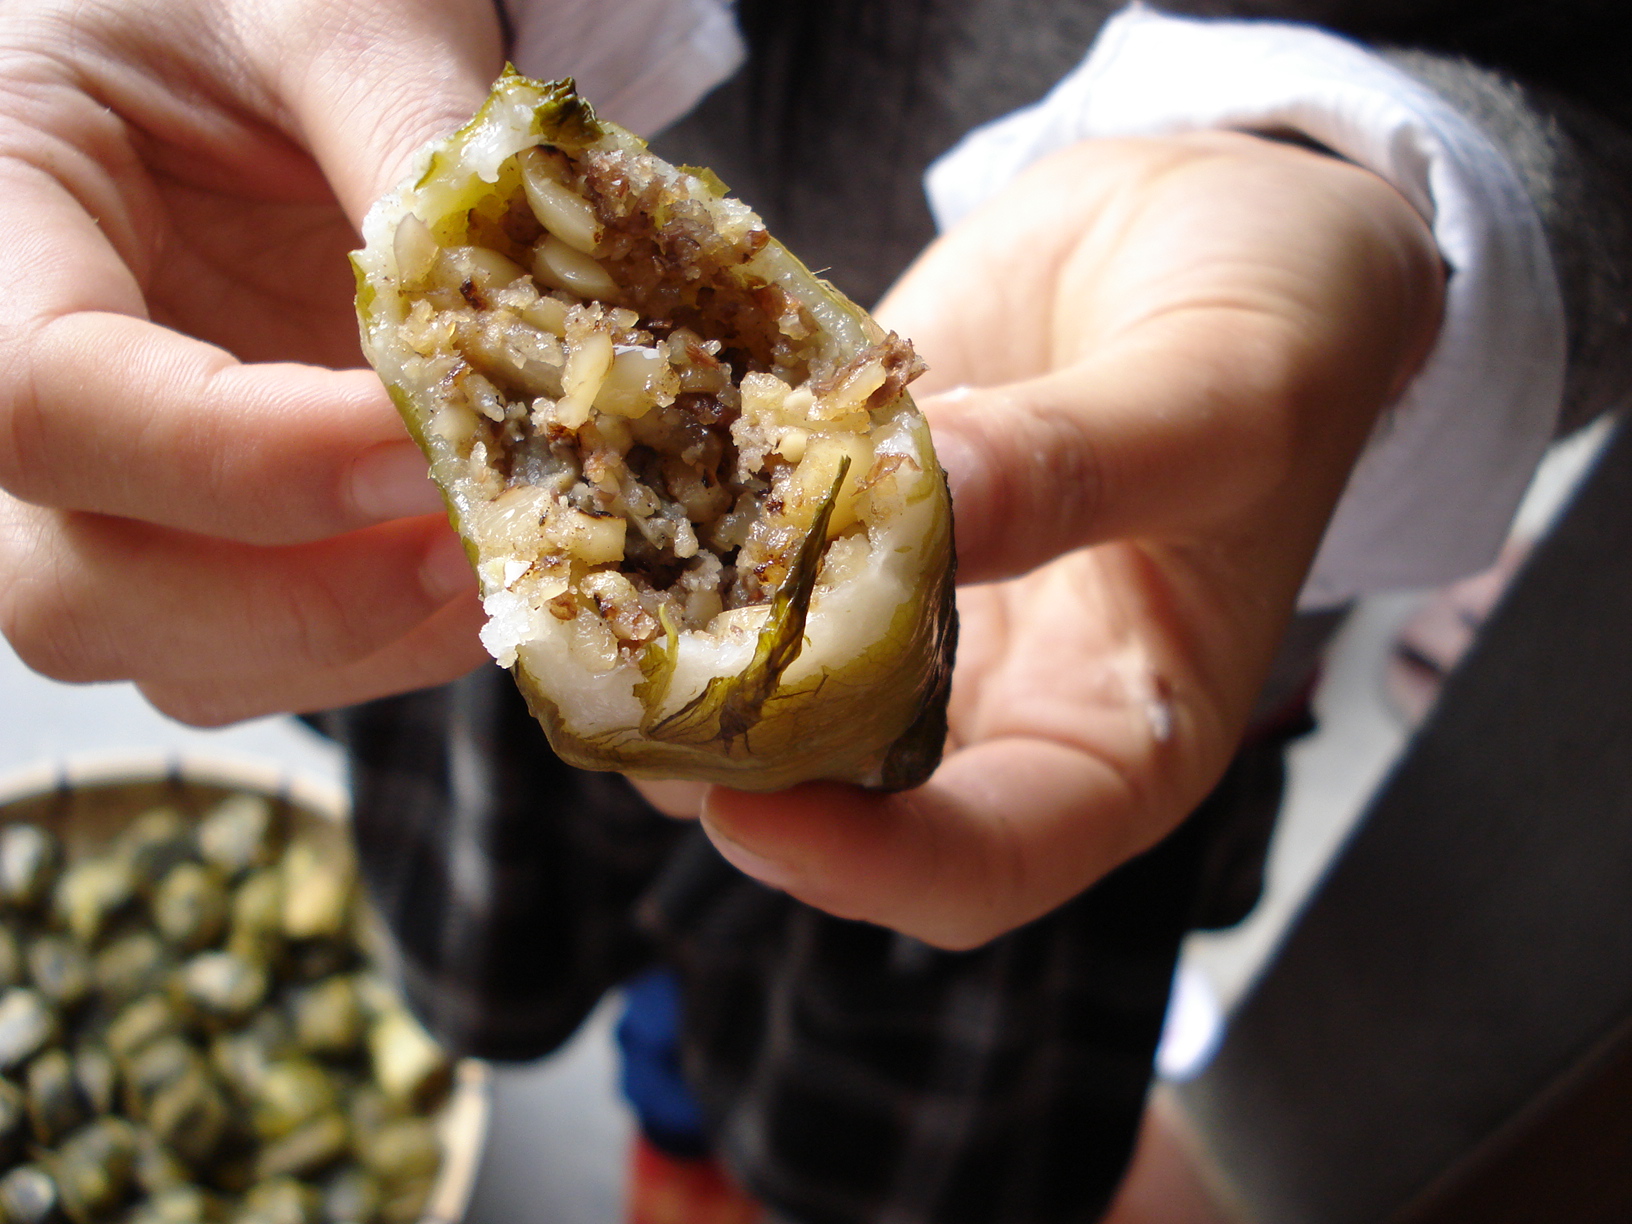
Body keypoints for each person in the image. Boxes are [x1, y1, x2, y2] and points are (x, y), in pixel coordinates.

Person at [2, 0, 1629, 1219]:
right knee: (594, 908)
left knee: (871, 1067)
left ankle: (714, 1162)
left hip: (1113, 607)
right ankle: (670, 1114)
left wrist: (1384, 206)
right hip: (483, 620)